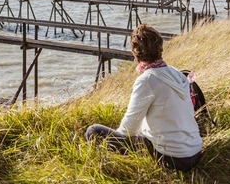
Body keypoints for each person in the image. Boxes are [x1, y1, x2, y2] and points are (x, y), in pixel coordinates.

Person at [85, 24, 203, 171]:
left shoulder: (147, 80)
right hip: (195, 152)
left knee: (93, 130)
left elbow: (129, 129)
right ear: (160, 47)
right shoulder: (176, 73)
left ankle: (103, 169)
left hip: (172, 158)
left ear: (135, 53)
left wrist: (118, 137)